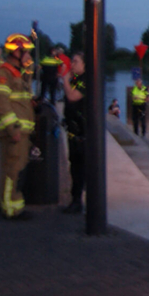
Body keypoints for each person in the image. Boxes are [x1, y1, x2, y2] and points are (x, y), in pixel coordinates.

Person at [0, 33, 37, 220]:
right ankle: (11, 209)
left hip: (21, 131)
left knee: (16, 167)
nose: (28, 56)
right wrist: (13, 129)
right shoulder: (3, 74)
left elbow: (20, 100)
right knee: (13, 169)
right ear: (17, 51)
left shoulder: (17, 74)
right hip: (14, 132)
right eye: (26, 52)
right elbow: (1, 103)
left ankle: (11, 204)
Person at [61, 53, 86, 214]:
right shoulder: (76, 80)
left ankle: (77, 201)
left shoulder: (86, 81)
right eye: (72, 61)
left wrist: (64, 79)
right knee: (74, 167)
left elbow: (72, 96)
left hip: (82, 135)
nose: (72, 64)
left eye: (76, 62)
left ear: (85, 65)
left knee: (80, 168)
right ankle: (75, 199)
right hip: (72, 131)